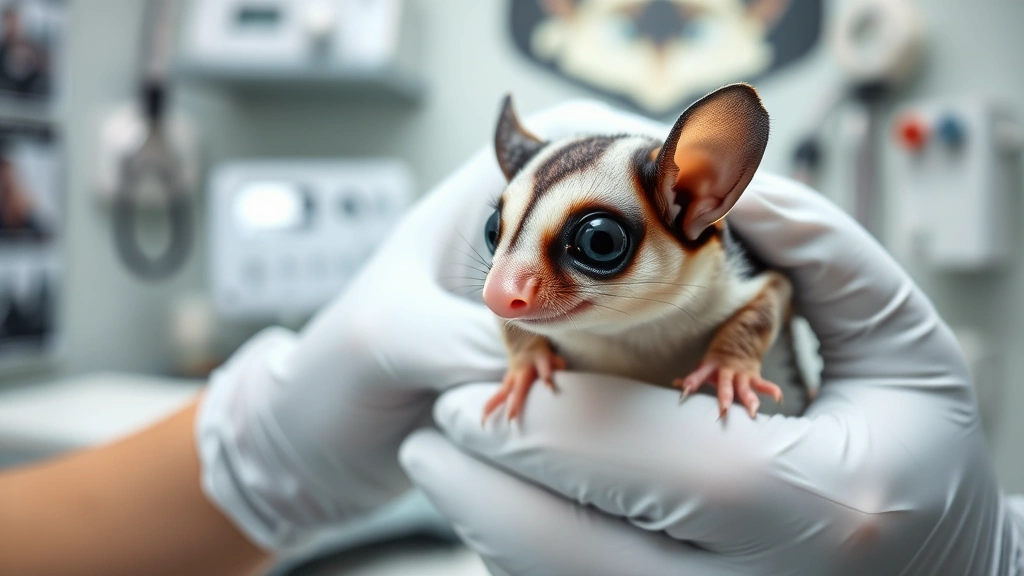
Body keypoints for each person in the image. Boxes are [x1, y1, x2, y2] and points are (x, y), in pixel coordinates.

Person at [1, 99, 1021, 575]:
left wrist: (731, 358)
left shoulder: (718, 274)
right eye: (502, 234)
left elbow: (764, 303)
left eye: (594, 241)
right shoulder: (527, 300)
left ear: (697, 201)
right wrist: (258, 459)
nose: (504, 289)